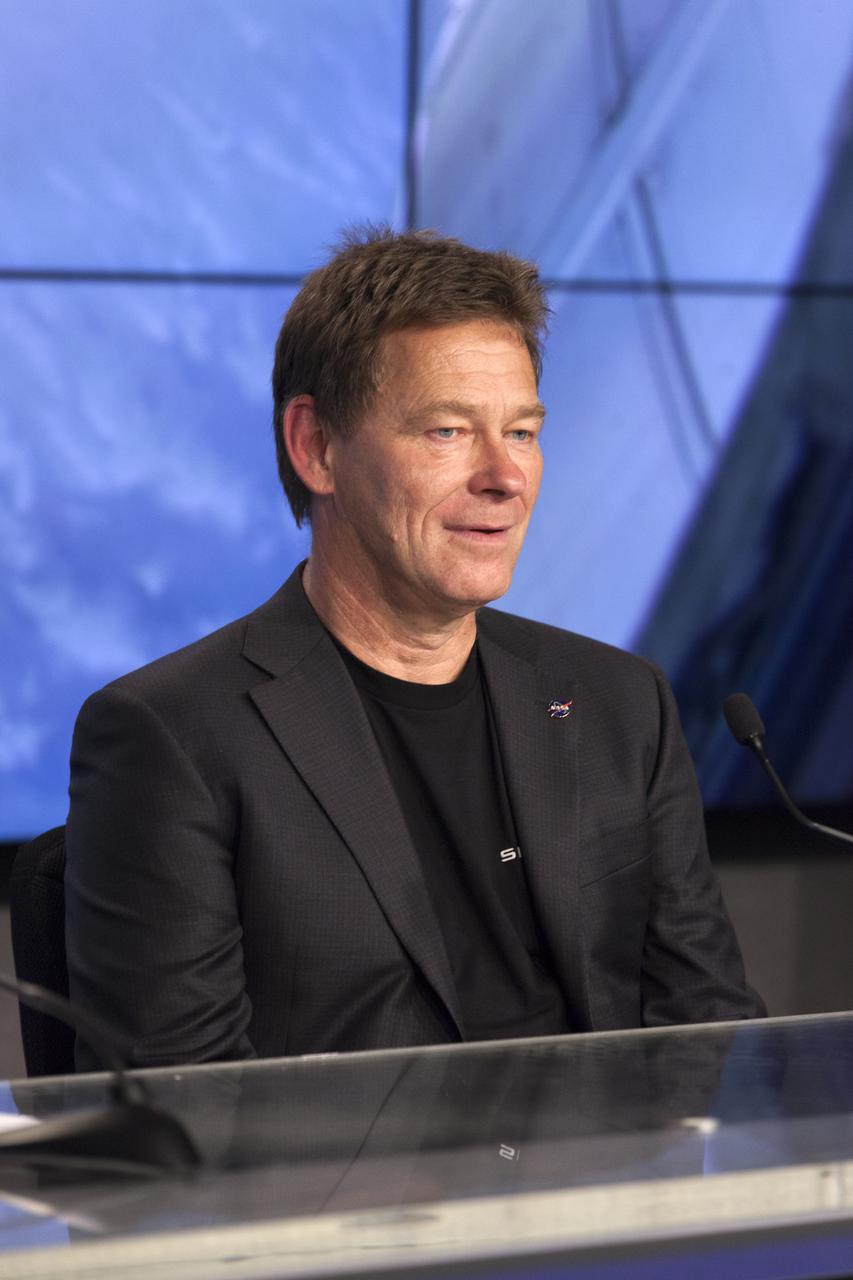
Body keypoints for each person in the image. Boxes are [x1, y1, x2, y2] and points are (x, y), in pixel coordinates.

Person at [65, 228, 764, 1070]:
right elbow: (183, 1114)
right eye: (446, 432)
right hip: (344, 1199)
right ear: (315, 447)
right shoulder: (172, 737)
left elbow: (712, 1033)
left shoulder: (619, 701)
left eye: (522, 432)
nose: (504, 477)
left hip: (602, 1190)